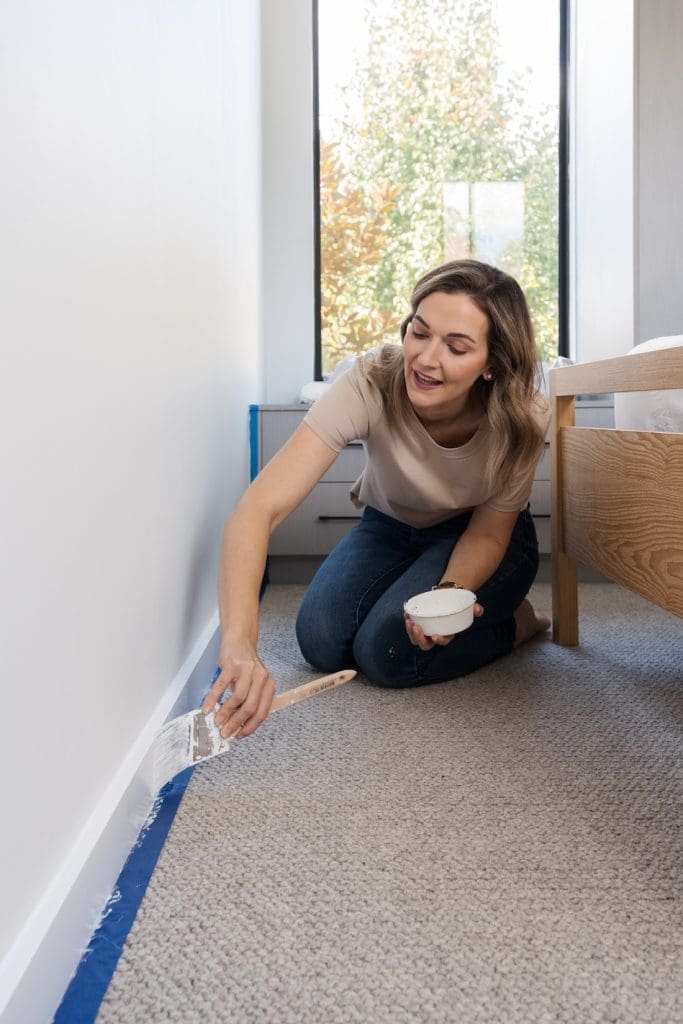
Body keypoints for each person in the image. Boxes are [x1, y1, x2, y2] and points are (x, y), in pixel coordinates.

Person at [203, 259, 551, 741]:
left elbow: (490, 531)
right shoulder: (370, 382)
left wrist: (449, 592)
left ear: (492, 363)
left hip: (484, 534)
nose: (427, 359)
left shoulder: (523, 414)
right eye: (420, 332)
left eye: (456, 347)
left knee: (387, 653)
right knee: (321, 640)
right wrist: (239, 645)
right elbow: (255, 511)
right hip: (391, 525)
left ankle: (518, 623)